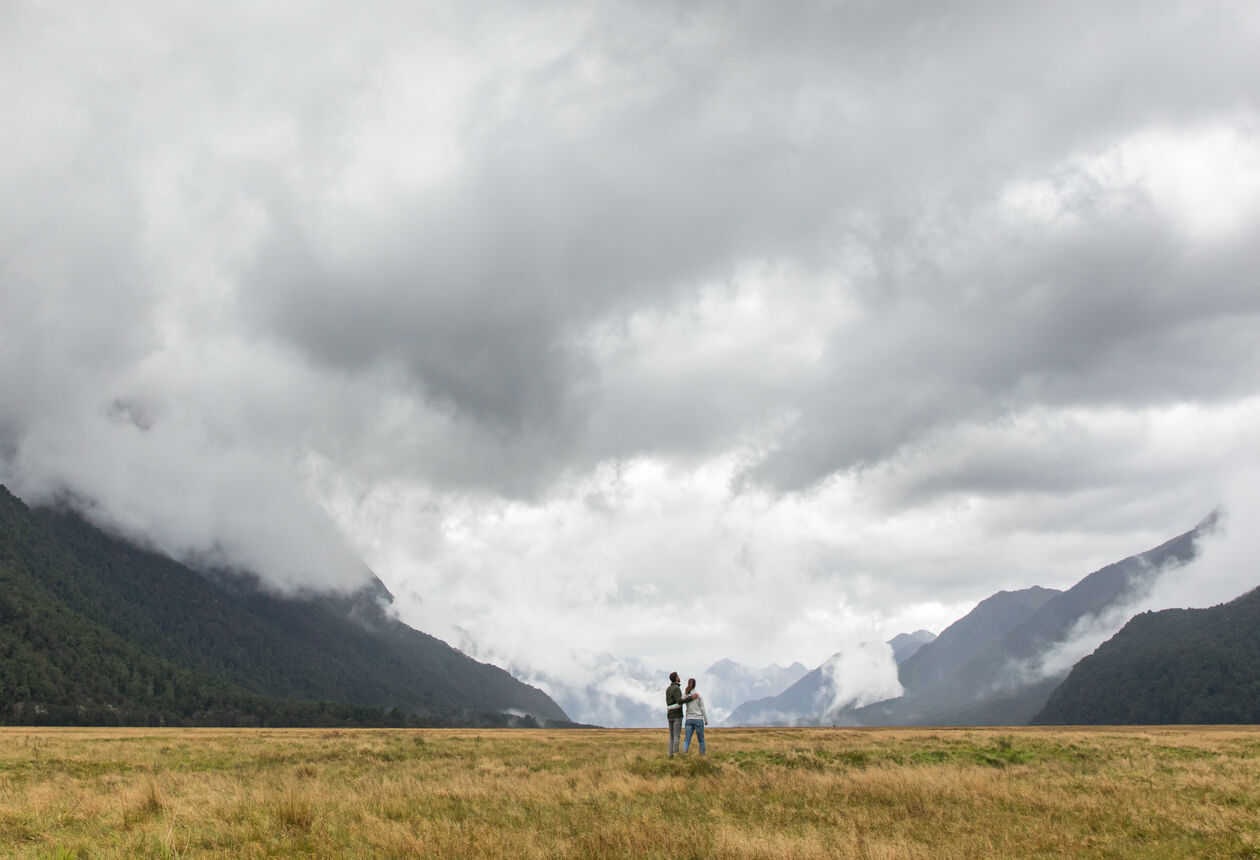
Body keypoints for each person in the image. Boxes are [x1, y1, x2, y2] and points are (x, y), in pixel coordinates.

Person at [682, 678, 708, 755]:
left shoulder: (685, 695)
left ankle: (683, 754)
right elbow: (702, 708)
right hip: (698, 719)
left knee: (687, 739)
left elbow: (681, 701)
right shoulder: (699, 695)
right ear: (695, 685)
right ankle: (702, 755)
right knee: (701, 740)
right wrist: (705, 720)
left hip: (689, 719)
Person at [665, 671, 685, 757]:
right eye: (678, 676)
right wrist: (690, 698)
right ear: (676, 678)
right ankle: (676, 755)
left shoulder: (668, 689)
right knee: (677, 736)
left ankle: (670, 755)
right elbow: (679, 701)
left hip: (669, 715)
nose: (679, 677)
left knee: (671, 736)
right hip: (677, 715)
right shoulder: (676, 688)